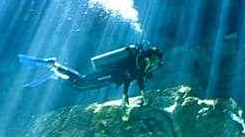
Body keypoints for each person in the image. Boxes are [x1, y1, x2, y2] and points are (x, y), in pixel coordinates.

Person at [19, 44, 164, 105]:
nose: (157, 64)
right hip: (110, 75)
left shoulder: (141, 61)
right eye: (158, 60)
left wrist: (125, 95)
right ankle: (55, 74)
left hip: (111, 76)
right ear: (154, 56)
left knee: (81, 81)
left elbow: (130, 77)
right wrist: (138, 95)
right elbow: (136, 76)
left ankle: (56, 66)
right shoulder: (143, 61)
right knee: (80, 86)